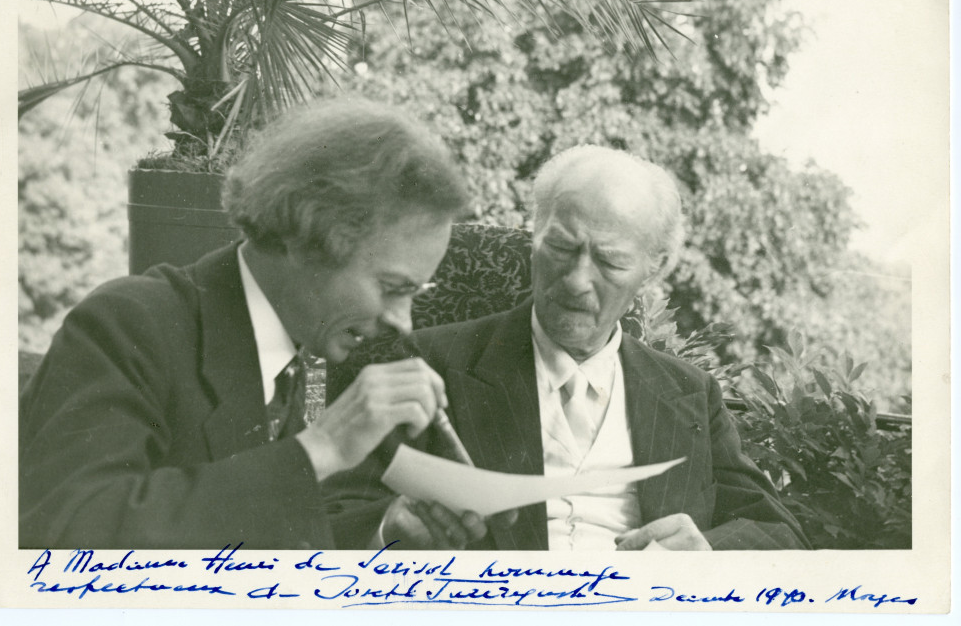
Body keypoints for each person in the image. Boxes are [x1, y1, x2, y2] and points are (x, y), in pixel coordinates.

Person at [18, 99, 476, 549]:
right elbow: (65, 529)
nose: (404, 323)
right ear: (306, 238)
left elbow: (267, 533)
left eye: (416, 293)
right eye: (393, 287)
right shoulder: (129, 324)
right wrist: (318, 449)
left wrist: (383, 533)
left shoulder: (313, 355)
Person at [327, 145, 810, 551]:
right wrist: (389, 526)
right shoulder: (425, 364)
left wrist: (708, 552)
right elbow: (323, 518)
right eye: (560, 247)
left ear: (654, 267)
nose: (578, 281)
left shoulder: (689, 392)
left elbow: (779, 532)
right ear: (533, 232)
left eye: (610, 261)